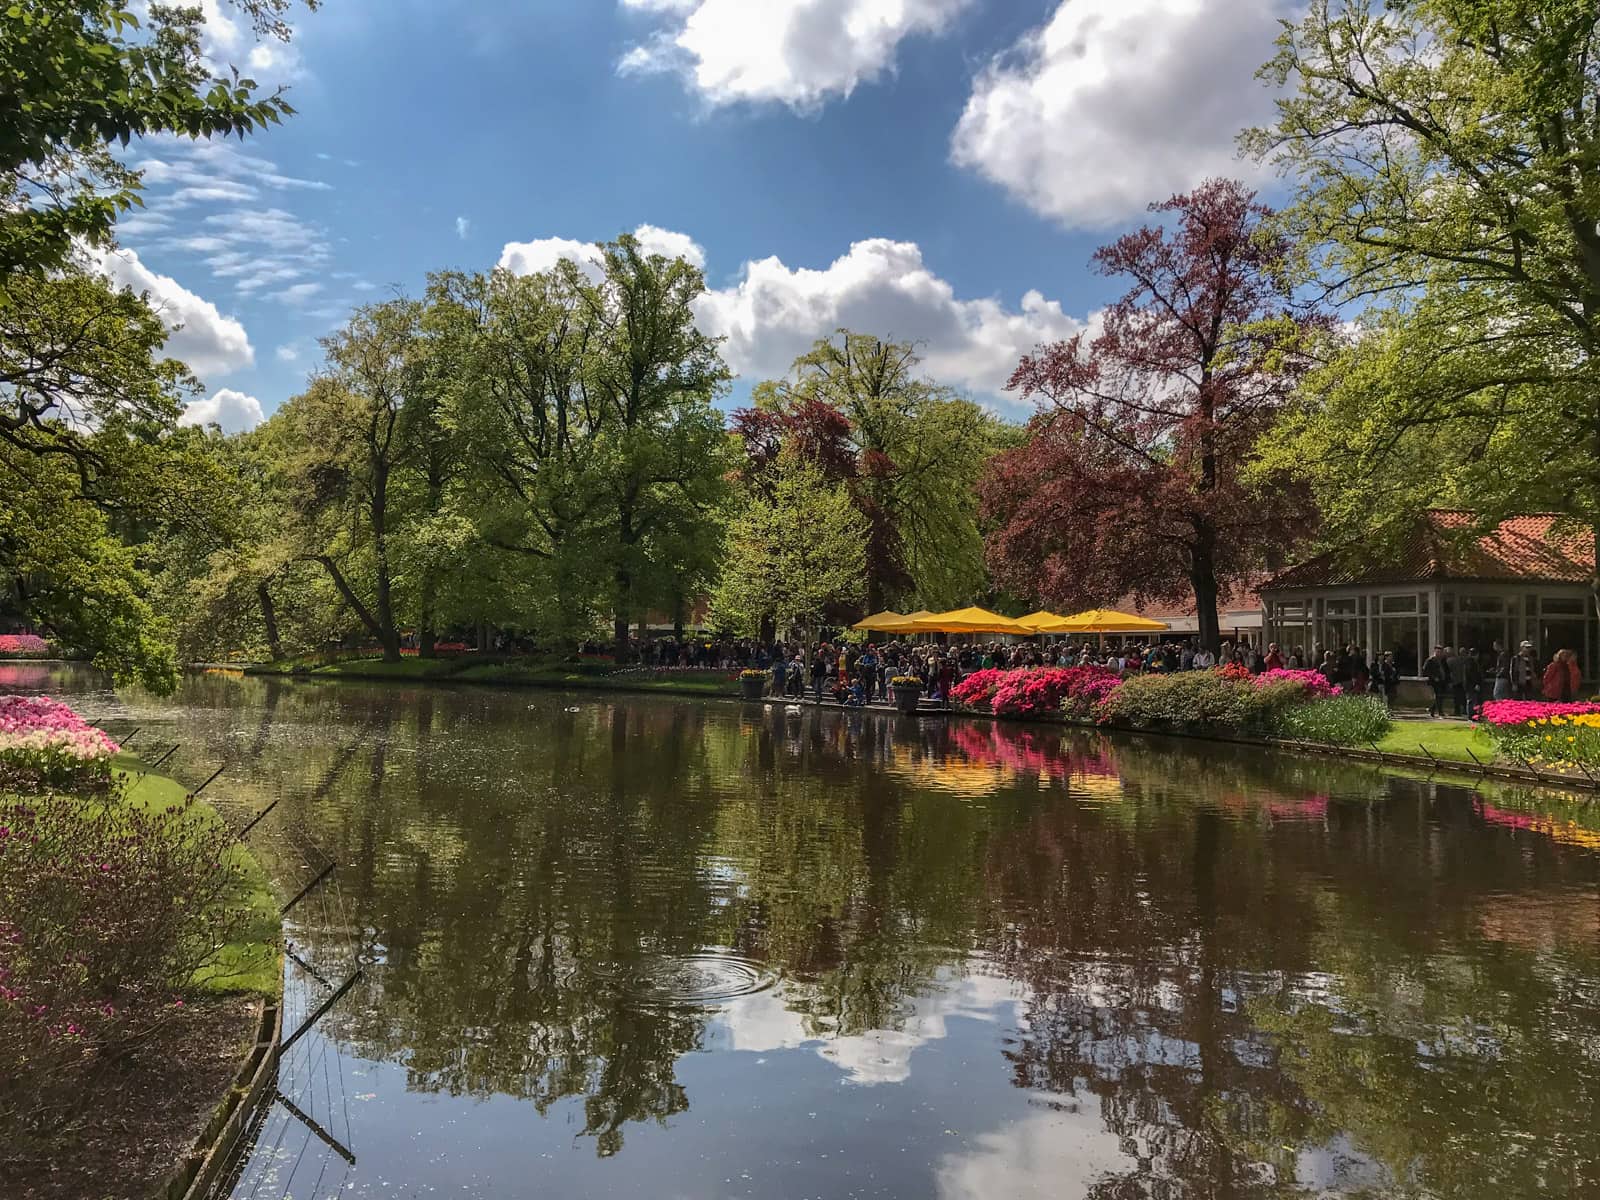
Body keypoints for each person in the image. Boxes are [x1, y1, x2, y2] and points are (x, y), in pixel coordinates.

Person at [1423, 645, 1451, 718]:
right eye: (1438, 652)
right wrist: (1433, 677)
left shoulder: (1442, 659)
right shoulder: (1430, 660)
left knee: (1441, 696)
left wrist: (1448, 679)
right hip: (1434, 681)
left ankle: (1432, 709)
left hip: (1442, 680)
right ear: (1435, 651)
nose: (1439, 653)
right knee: (1438, 695)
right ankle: (1440, 712)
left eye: (1440, 652)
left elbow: (1447, 669)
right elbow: (1425, 670)